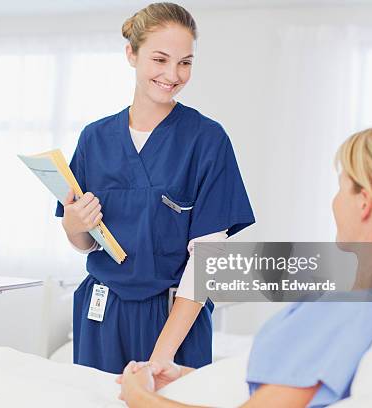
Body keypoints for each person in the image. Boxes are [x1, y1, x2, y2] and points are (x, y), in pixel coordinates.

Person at [118, 125, 372, 407]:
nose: (335, 201)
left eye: (341, 187)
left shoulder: (352, 307)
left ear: (364, 203)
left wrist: (138, 396)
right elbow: (286, 388)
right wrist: (185, 378)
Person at [55, 2, 255, 374]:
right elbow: (87, 242)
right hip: (101, 311)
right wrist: (72, 226)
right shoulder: (94, 138)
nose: (173, 74)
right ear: (131, 54)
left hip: (174, 318)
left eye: (185, 62)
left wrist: (161, 357)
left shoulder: (207, 140)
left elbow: (207, 260)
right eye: (160, 59)